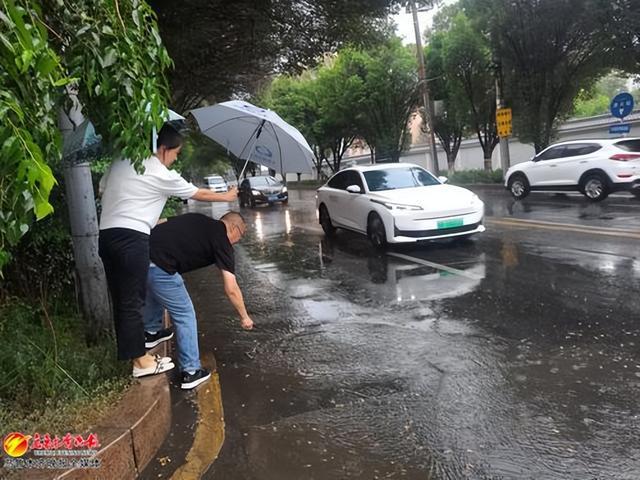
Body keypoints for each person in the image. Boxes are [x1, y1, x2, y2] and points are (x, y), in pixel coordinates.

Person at [99, 124, 238, 378]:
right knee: (133, 302)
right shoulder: (159, 172)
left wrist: (144, 211)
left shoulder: (124, 160)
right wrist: (227, 197)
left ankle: (138, 354)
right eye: (176, 153)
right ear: (163, 149)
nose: (175, 159)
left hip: (107, 236)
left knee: (122, 300)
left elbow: (103, 188)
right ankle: (141, 362)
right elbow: (199, 193)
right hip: (132, 239)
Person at [143, 211, 254, 390]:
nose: (238, 240)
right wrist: (244, 316)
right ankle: (191, 371)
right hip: (160, 266)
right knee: (185, 314)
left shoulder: (198, 218)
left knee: (155, 288)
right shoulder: (222, 242)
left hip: (138, 256)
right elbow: (231, 288)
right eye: (241, 234)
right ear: (233, 228)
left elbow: (161, 221)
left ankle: (151, 332)